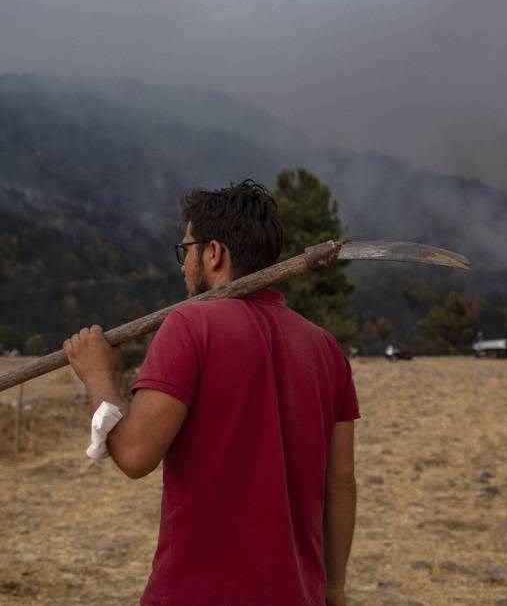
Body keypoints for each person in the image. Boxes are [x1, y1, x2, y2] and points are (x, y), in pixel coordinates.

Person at [63, 181, 359, 605]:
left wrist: (96, 374)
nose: (183, 265)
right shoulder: (326, 348)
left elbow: (133, 455)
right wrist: (333, 589)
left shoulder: (190, 324)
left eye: (186, 250)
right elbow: (341, 482)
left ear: (214, 252)